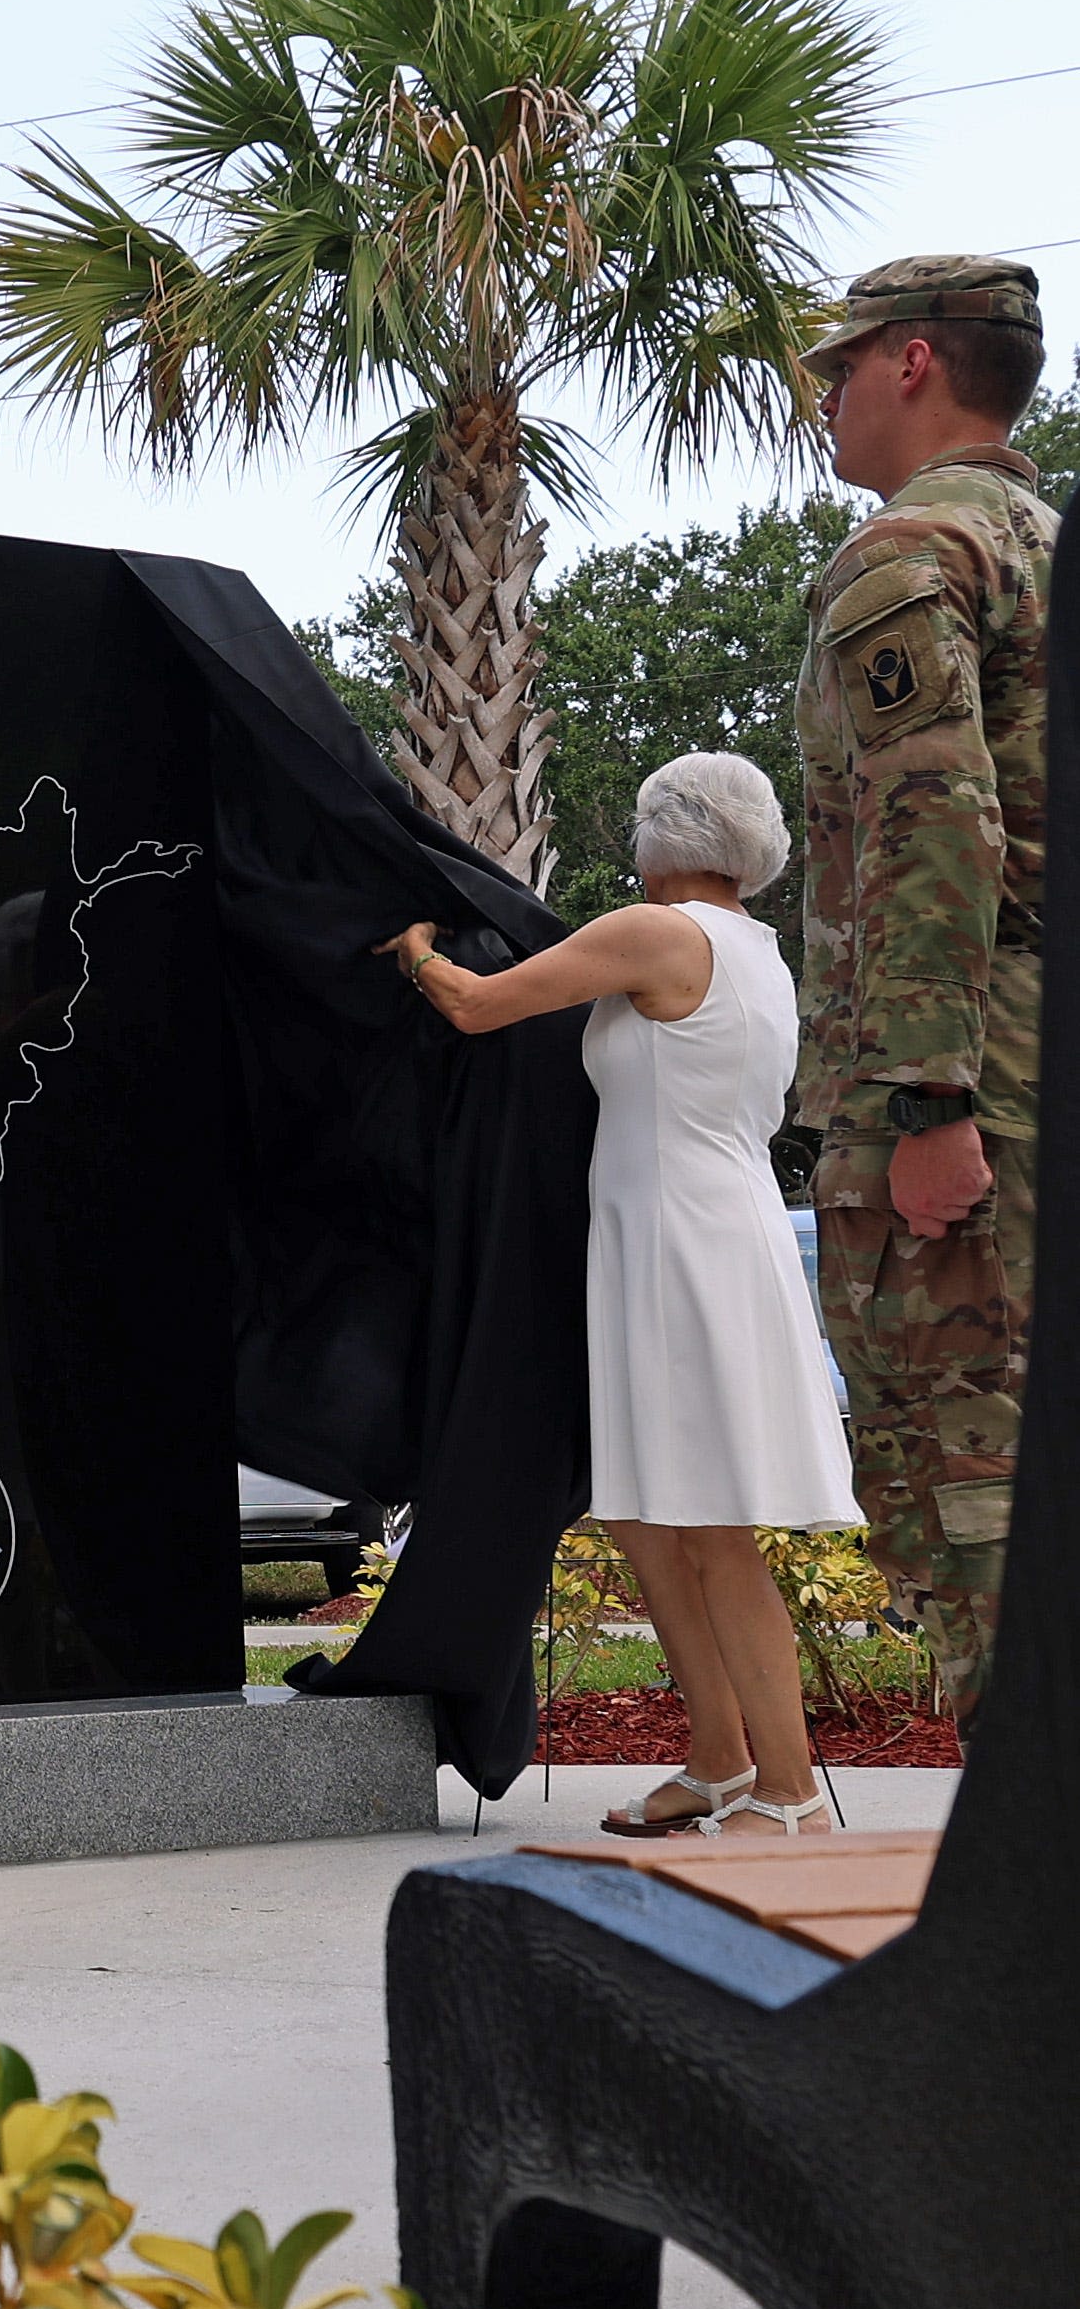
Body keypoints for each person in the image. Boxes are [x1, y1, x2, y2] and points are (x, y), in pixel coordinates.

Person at [382, 753, 858, 1835]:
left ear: (659, 841)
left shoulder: (654, 931)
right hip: (678, 1231)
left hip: (682, 1240)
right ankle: (715, 1762)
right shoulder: (754, 951)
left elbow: (476, 1006)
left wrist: (413, 947)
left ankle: (787, 1796)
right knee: (644, 1518)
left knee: (709, 1527)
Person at [792, 256, 1054, 1720]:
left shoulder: (910, 553)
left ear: (911, 362)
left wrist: (927, 1092)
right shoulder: (1044, 542)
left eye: (838, 366)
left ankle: (1022, 1896)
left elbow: (933, 817)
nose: (821, 397)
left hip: (962, 1094)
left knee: (968, 1487)